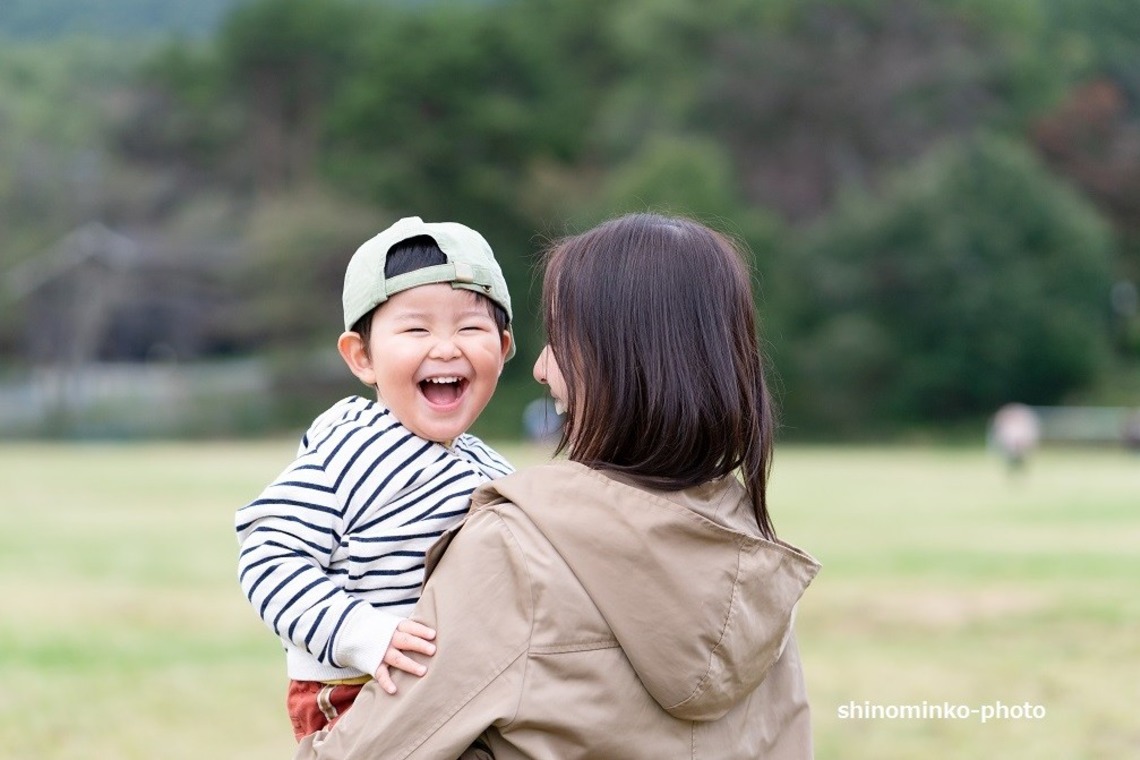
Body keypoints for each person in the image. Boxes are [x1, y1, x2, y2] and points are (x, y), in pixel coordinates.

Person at [295, 212, 821, 760]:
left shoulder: (514, 551)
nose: (542, 368)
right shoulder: (750, 556)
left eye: (562, 340)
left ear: (623, 360)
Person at [235, 216, 516, 741]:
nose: (446, 347)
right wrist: (362, 633)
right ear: (362, 356)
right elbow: (268, 555)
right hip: (358, 687)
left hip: (453, 688)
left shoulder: (492, 468)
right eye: (416, 328)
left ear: (501, 350)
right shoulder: (351, 446)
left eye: (470, 328)